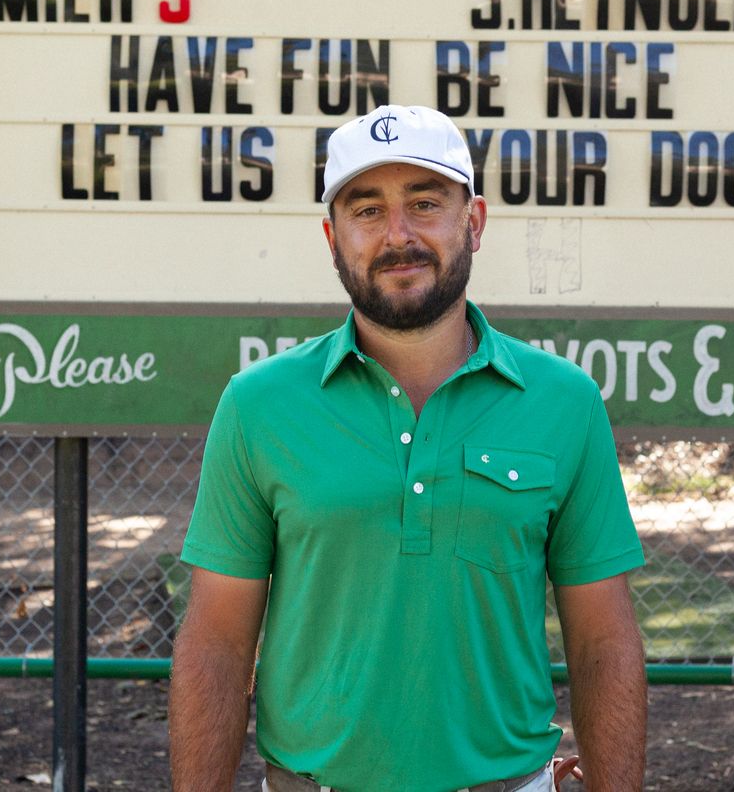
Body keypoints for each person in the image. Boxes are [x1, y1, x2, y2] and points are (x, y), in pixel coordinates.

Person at [169, 104, 647, 792]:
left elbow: (604, 641)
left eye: (425, 203)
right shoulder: (258, 405)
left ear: (473, 222)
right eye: (367, 210)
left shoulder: (564, 402)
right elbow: (216, 642)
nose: (398, 235)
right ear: (333, 238)